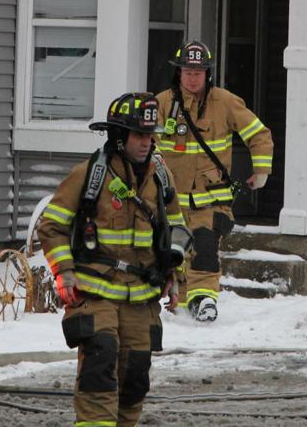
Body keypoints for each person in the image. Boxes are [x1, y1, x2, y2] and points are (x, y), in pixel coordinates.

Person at [37, 92, 190, 427]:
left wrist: (175, 274)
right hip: (95, 294)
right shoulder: (88, 175)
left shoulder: (161, 178)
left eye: (150, 136)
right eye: (138, 135)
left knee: (135, 378)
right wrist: (64, 271)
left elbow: (176, 229)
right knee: (100, 366)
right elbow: (51, 225)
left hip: (141, 297)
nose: (146, 143)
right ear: (119, 137)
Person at [154, 40, 273, 322]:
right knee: (172, 251)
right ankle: (178, 300)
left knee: (205, 248)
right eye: (187, 72)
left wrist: (262, 170)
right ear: (178, 73)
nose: (192, 77)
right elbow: (147, 143)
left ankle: (204, 299)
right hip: (170, 202)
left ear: (208, 73)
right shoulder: (162, 103)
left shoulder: (226, 102)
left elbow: (259, 134)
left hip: (210, 201)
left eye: (198, 72)